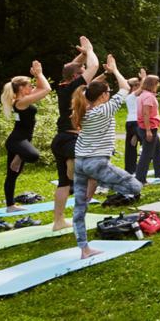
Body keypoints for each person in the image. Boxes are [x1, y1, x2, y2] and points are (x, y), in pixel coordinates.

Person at [71, 54, 143, 259]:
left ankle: (84, 249)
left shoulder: (83, 109)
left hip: (81, 162)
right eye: (107, 92)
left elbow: (97, 88)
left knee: (80, 205)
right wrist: (115, 70)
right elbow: (125, 88)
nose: (110, 94)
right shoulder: (104, 110)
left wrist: (105, 73)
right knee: (135, 187)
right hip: (96, 163)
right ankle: (106, 184)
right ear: (103, 96)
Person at [50, 36, 99, 231]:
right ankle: (80, 213)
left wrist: (82, 54)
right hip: (70, 139)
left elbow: (69, 67)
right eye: (81, 72)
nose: (84, 73)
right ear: (75, 77)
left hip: (61, 140)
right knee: (93, 172)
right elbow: (94, 66)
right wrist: (90, 50)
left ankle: (58, 221)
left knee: (63, 183)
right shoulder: (73, 87)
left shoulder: (63, 86)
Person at [0, 61, 52, 212]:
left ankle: (10, 206)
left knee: (12, 175)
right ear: (21, 88)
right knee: (34, 156)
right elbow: (47, 89)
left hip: (21, 140)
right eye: (29, 85)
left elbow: (42, 88)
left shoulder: (23, 98)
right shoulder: (21, 102)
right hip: (17, 141)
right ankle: (19, 156)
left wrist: (37, 75)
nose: (31, 87)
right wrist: (39, 74)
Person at [135, 74, 160, 184]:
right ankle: (140, 179)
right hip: (148, 128)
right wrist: (148, 130)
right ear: (153, 84)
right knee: (147, 154)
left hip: (148, 127)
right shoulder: (148, 96)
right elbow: (145, 113)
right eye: (157, 83)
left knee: (158, 150)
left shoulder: (144, 94)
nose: (158, 85)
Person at [122, 69, 146, 173]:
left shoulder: (132, 96)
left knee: (131, 147)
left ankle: (131, 169)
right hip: (136, 122)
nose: (139, 85)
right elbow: (143, 88)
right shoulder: (131, 96)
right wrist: (144, 77)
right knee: (147, 144)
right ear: (134, 87)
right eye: (137, 84)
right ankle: (136, 168)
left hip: (131, 123)